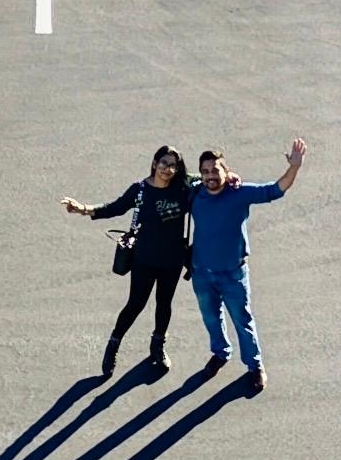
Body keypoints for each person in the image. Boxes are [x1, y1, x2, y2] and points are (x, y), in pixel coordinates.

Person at [66, 145, 195, 381]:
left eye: (173, 165)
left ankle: (157, 345)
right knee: (135, 304)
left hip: (172, 260)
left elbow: (210, 177)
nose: (168, 169)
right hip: (144, 259)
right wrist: (84, 209)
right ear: (155, 163)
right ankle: (114, 343)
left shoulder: (183, 187)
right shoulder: (141, 190)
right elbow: (115, 207)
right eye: (164, 163)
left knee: (164, 304)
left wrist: (230, 178)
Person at [188, 139, 303, 392]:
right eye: (205, 171)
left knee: (242, 319)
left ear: (225, 172)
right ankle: (220, 352)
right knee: (210, 317)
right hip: (202, 273)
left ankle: (255, 365)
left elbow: (275, 189)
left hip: (233, 274)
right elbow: (174, 178)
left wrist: (294, 167)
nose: (210, 176)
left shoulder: (239, 193)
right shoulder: (194, 192)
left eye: (215, 171)